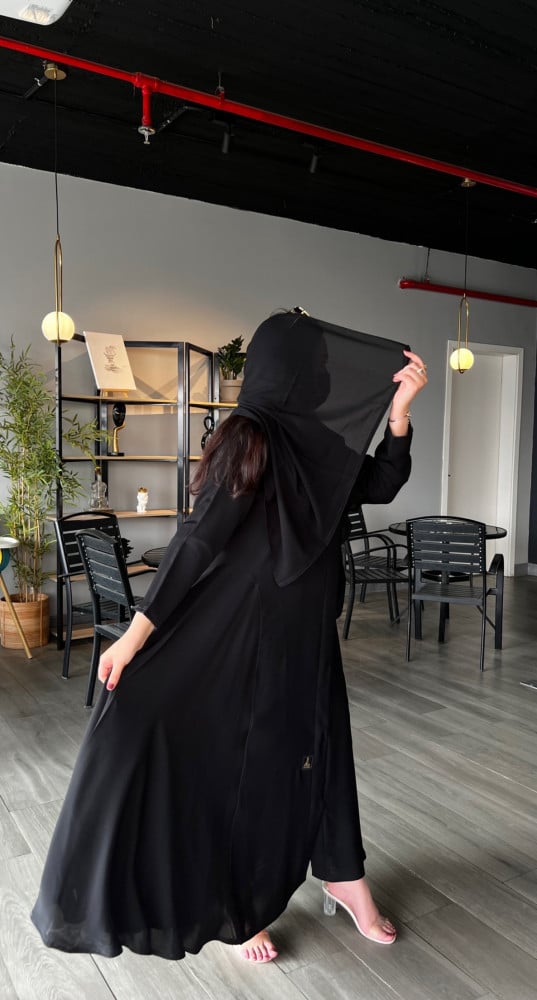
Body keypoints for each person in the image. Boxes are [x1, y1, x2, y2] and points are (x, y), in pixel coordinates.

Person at [31, 310, 427, 963]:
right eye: (316, 368)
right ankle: (234, 906)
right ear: (288, 373)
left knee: (324, 748)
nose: (323, 380)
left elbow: (381, 482)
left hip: (308, 634)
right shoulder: (250, 436)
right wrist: (135, 634)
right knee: (242, 765)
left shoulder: (321, 444)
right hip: (243, 632)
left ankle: (342, 874)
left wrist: (400, 413)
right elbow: (198, 539)